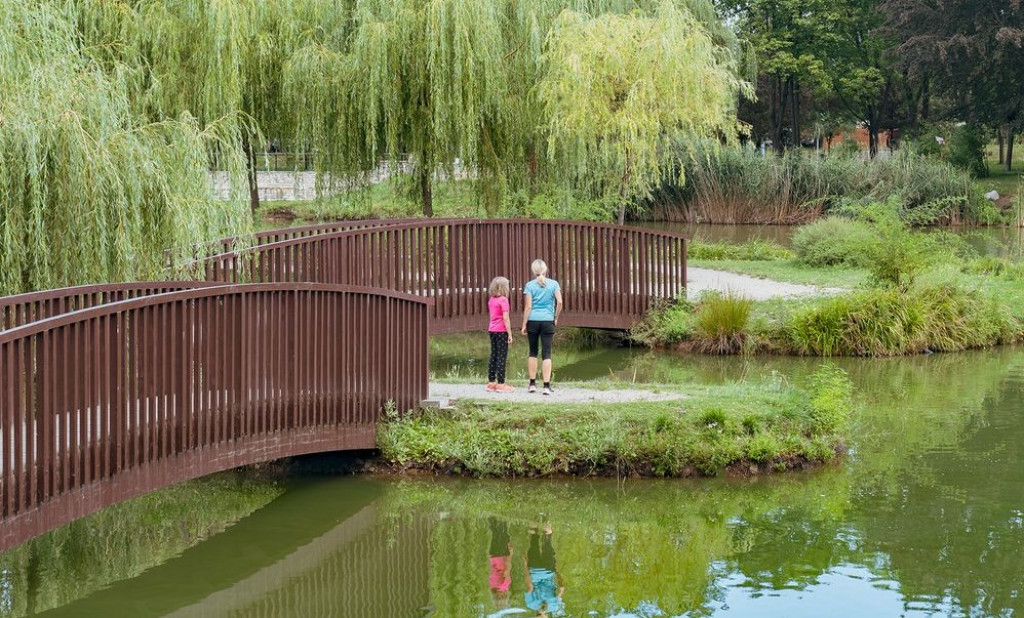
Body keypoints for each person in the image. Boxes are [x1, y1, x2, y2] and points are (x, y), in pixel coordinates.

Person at [520, 259, 562, 395]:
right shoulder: (554, 284)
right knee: (547, 353)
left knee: (533, 352)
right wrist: (555, 317)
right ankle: (546, 386)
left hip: (533, 321)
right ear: (546, 269)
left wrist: (524, 323)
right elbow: (560, 302)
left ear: (533, 271)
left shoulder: (529, 286)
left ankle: (532, 384)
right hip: (547, 321)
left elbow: (528, 307)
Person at [524, 521, 564, 616]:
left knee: (547, 541)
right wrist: (525, 565)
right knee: (533, 540)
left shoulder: (554, 606)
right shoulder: (531, 605)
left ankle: (546, 516)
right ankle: (534, 516)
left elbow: (561, 588)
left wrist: (556, 570)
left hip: (549, 570)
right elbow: (530, 586)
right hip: (534, 570)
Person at [487, 276, 515, 392]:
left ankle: (491, 382)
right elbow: (506, 318)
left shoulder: (491, 299)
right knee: (502, 357)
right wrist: (510, 333)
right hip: (501, 331)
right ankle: (501, 384)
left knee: (494, 355)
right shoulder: (503, 300)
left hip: (492, 330)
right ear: (504, 288)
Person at [488, 518, 514, 609]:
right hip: (493, 556)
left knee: (503, 533)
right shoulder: (492, 585)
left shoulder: (504, 586)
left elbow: (507, 570)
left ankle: (502, 517)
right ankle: (492, 516)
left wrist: (510, 554)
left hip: (502, 556)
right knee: (495, 534)